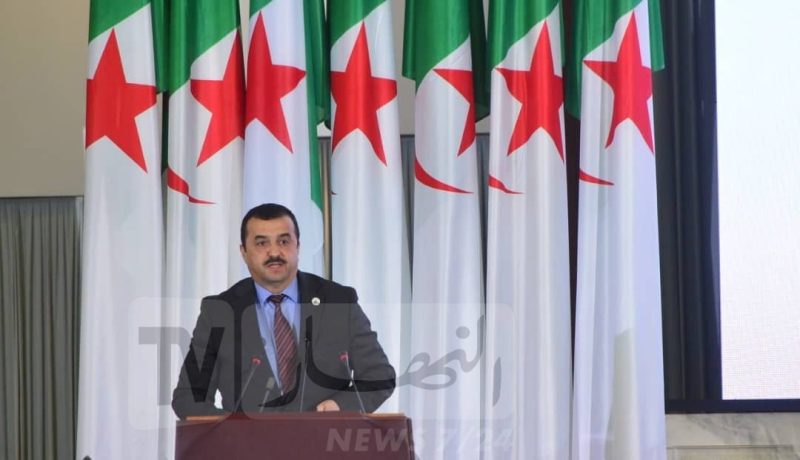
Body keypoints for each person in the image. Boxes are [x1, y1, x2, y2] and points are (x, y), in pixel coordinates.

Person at [172, 203, 395, 418]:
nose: (274, 252)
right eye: (261, 243)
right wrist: (235, 428)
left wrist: (340, 406)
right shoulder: (219, 312)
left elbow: (379, 376)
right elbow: (188, 398)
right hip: (248, 443)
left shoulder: (338, 302)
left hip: (325, 439)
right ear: (243, 252)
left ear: (298, 246)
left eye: (284, 241)